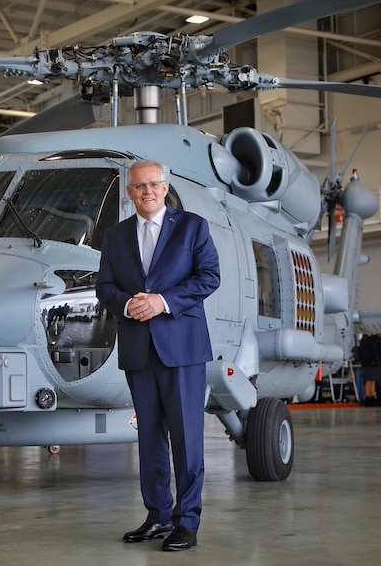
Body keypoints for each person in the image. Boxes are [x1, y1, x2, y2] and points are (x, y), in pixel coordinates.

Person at [96, 159, 220, 552]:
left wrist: (163, 301)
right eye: (139, 186)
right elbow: (104, 286)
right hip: (138, 348)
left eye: (153, 185)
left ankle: (187, 522)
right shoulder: (115, 237)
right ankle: (158, 516)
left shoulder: (192, 227)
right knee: (149, 438)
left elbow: (209, 276)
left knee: (187, 439)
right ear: (129, 192)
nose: (147, 191)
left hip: (181, 348)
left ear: (165, 188)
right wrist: (128, 305)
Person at [358, 333, 381, 406]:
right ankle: (367, 396)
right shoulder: (364, 341)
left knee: (373, 381)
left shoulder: (373, 339)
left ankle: (373, 396)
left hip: (374, 363)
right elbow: (364, 353)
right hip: (368, 364)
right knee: (369, 380)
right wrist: (371, 361)